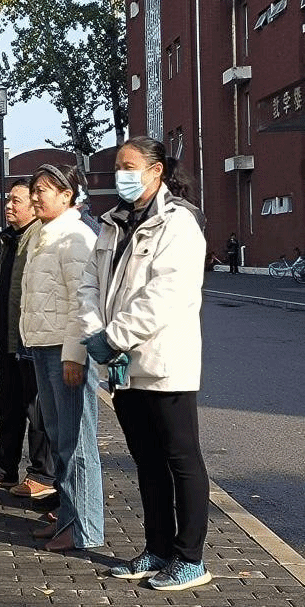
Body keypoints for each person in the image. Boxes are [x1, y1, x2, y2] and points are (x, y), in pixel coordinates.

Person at [80, 137, 212, 591]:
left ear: (157, 171)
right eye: (118, 166)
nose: (122, 174)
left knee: (181, 458)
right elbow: (89, 284)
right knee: (147, 460)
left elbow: (165, 296)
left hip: (163, 362)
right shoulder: (112, 223)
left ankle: (190, 557)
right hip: (122, 365)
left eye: (130, 166)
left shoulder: (178, 223)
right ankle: (157, 548)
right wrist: (96, 332)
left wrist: (112, 338)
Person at [19, 164, 104, 553]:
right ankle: (68, 516)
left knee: (76, 441)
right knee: (58, 437)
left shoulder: (75, 237)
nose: (35, 197)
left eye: (43, 190)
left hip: (65, 351)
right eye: (34, 189)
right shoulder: (44, 234)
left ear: (67, 195)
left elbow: (85, 304)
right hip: (43, 345)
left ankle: (85, 528)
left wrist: (75, 354)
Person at [0, 179, 55, 500]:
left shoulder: (40, 237)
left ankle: (42, 474)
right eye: (8, 200)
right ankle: (3, 468)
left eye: (16, 200)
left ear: (33, 205)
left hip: (30, 339)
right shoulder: (10, 239)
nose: (8, 206)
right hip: (7, 339)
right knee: (8, 406)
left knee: (36, 410)